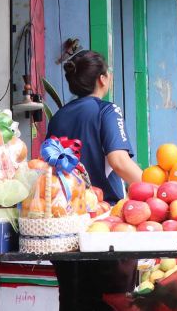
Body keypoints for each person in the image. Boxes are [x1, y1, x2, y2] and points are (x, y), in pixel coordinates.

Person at [46, 50, 142, 310]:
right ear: (103, 79)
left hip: (64, 226)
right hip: (103, 225)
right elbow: (119, 162)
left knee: (73, 300)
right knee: (111, 301)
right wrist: (152, 187)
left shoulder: (58, 117)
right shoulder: (106, 110)